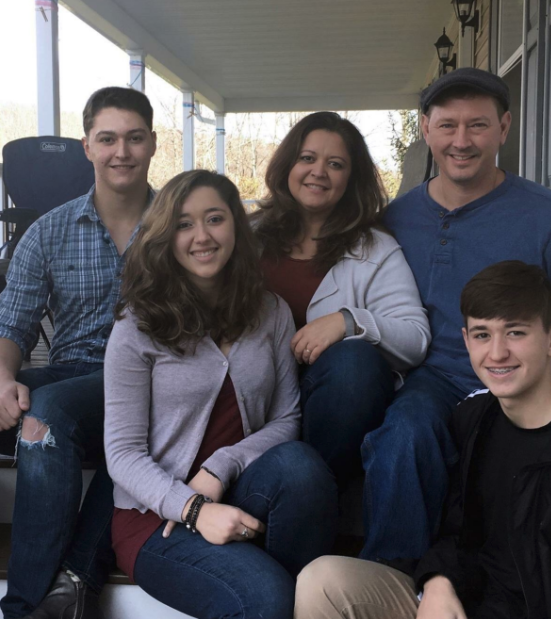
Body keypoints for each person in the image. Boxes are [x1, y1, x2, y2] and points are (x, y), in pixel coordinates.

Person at [358, 67, 551, 563]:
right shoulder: (396, 219)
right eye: (448, 125)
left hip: (523, 380)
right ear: (424, 129)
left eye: (477, 125)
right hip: (435, 382)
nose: (462, 140)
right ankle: (391, 583)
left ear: (504, 128)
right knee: (404, 434)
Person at [295, 261, 551, 619]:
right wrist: (439, 581)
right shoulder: (476, 416)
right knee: (323, 581)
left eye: (515, 333)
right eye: (482, 335)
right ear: (466, 340)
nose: (497, 353)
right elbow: (455, 533)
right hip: (464, 601)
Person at [104, 169, 338, 619]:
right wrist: (194, 509)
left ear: (236, 225)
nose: (202, 236)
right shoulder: (137, 325)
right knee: (265, 595)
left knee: (301, 467)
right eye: (184, 224)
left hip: (238, 492)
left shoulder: (269, 311)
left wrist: (219, 467)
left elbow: (287, 420)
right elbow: (122, 453)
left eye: (215, 219)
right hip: (159, 520)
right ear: (165, 236)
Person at [0, 86, 157, 619]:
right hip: (73, 373)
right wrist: (3, 376)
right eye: (107, 139)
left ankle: (23, 606)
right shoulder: (47, 232)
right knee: (44, 400)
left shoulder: (179, 228)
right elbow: (13, 324)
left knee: (51, 412)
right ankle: (68, 590)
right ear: (87, 146)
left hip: (152, 382)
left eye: (134, 138)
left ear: (153, 144)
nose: (122, 152)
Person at [254, 111, 430, 487]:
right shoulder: (247, 238)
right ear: (288, 165)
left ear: (351, 179)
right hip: (258, 394)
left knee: (354, 360)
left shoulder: (375, 248)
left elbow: (415, 339)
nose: (319, 171)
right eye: (307, 158)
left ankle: (321, 489)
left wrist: (348, 322)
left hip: (334, 404)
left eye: (335, 164)